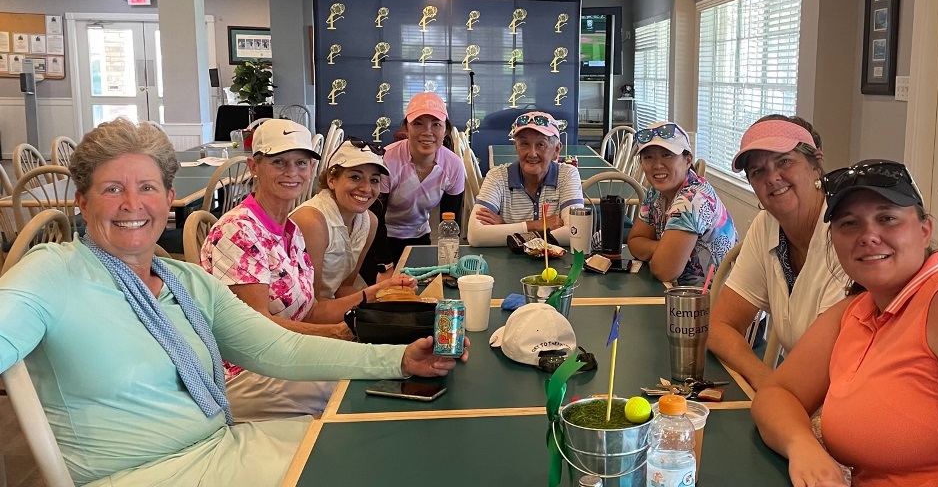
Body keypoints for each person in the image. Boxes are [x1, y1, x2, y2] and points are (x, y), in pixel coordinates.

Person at [0, 118, 467, 486]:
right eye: (111, 189)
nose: (131, 204)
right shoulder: (52, 273)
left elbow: (277, 349)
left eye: (146, 188)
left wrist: (400, 359)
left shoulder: (184, 280)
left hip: (221, 445)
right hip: (144, 474)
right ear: (82, 201)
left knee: (389, 445)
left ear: (167, 198)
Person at [752, 159, 938, 486]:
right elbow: (777, 393)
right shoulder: (856, 310)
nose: (868, 236)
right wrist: (803, 446)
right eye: (849, 223)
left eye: (887, 218)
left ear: (925, 230)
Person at [200, 119, 416, 421]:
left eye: (301, 163)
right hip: (244, 373)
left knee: (382, 365)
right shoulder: (237, 230)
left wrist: (374, 294)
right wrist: (337, 335)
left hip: (288, 355)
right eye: (279, 162)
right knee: (364, 385)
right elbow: (256, 329)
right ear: (254, 166)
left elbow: (311, 310)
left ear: (312, 170)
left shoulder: (290, 230)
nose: (292, 172)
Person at [707, 115, 848, 391]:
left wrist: (775, 391)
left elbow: (824, 366)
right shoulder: (767, 224)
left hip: (843, 399)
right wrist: (763, 377)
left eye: (784, 161)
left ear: (815, 165)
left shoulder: (847, 232)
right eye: (758, 172)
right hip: (791, 391)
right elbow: (720, 326)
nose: (772, 178)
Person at [291, 139, 415, 300]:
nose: (366, 188)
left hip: (325, 306)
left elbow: (344, 288)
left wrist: (387, 296)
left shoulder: (368, 222)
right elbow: (310, 306)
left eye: (374, 180)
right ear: (331, 180)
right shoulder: (312, 221)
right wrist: (380, 290)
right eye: (355, 177)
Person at [363, 92, 465, 281]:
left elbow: (450, 224)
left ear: (446, 130)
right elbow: (373, 218)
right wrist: (385, 266)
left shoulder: (454, 166)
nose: (427, 132)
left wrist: (449, 264)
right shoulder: (387, 160)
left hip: (418, 237)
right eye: (418, 123)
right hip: (378, 240)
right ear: (406, 128)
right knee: (384, 301)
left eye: (436, 124)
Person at [626, 121, 738, 284]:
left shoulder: (693, 199)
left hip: (712, 302)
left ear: (687, 160)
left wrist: (662, 253)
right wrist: (661, 248)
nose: (657, 165)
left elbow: (664, 270)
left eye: (667, 155)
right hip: (679, 294)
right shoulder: (656, 191)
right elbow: (634, 241)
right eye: (648, 157)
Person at [468, 110, 584, 247]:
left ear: (556, 150)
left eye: (541, 144)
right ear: (516, 147)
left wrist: (506, 229)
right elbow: (475, 236)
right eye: (524, 144)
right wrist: (537, 225)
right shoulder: (497, 176)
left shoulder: (568, 175)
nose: (532, 153)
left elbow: (575, 233)